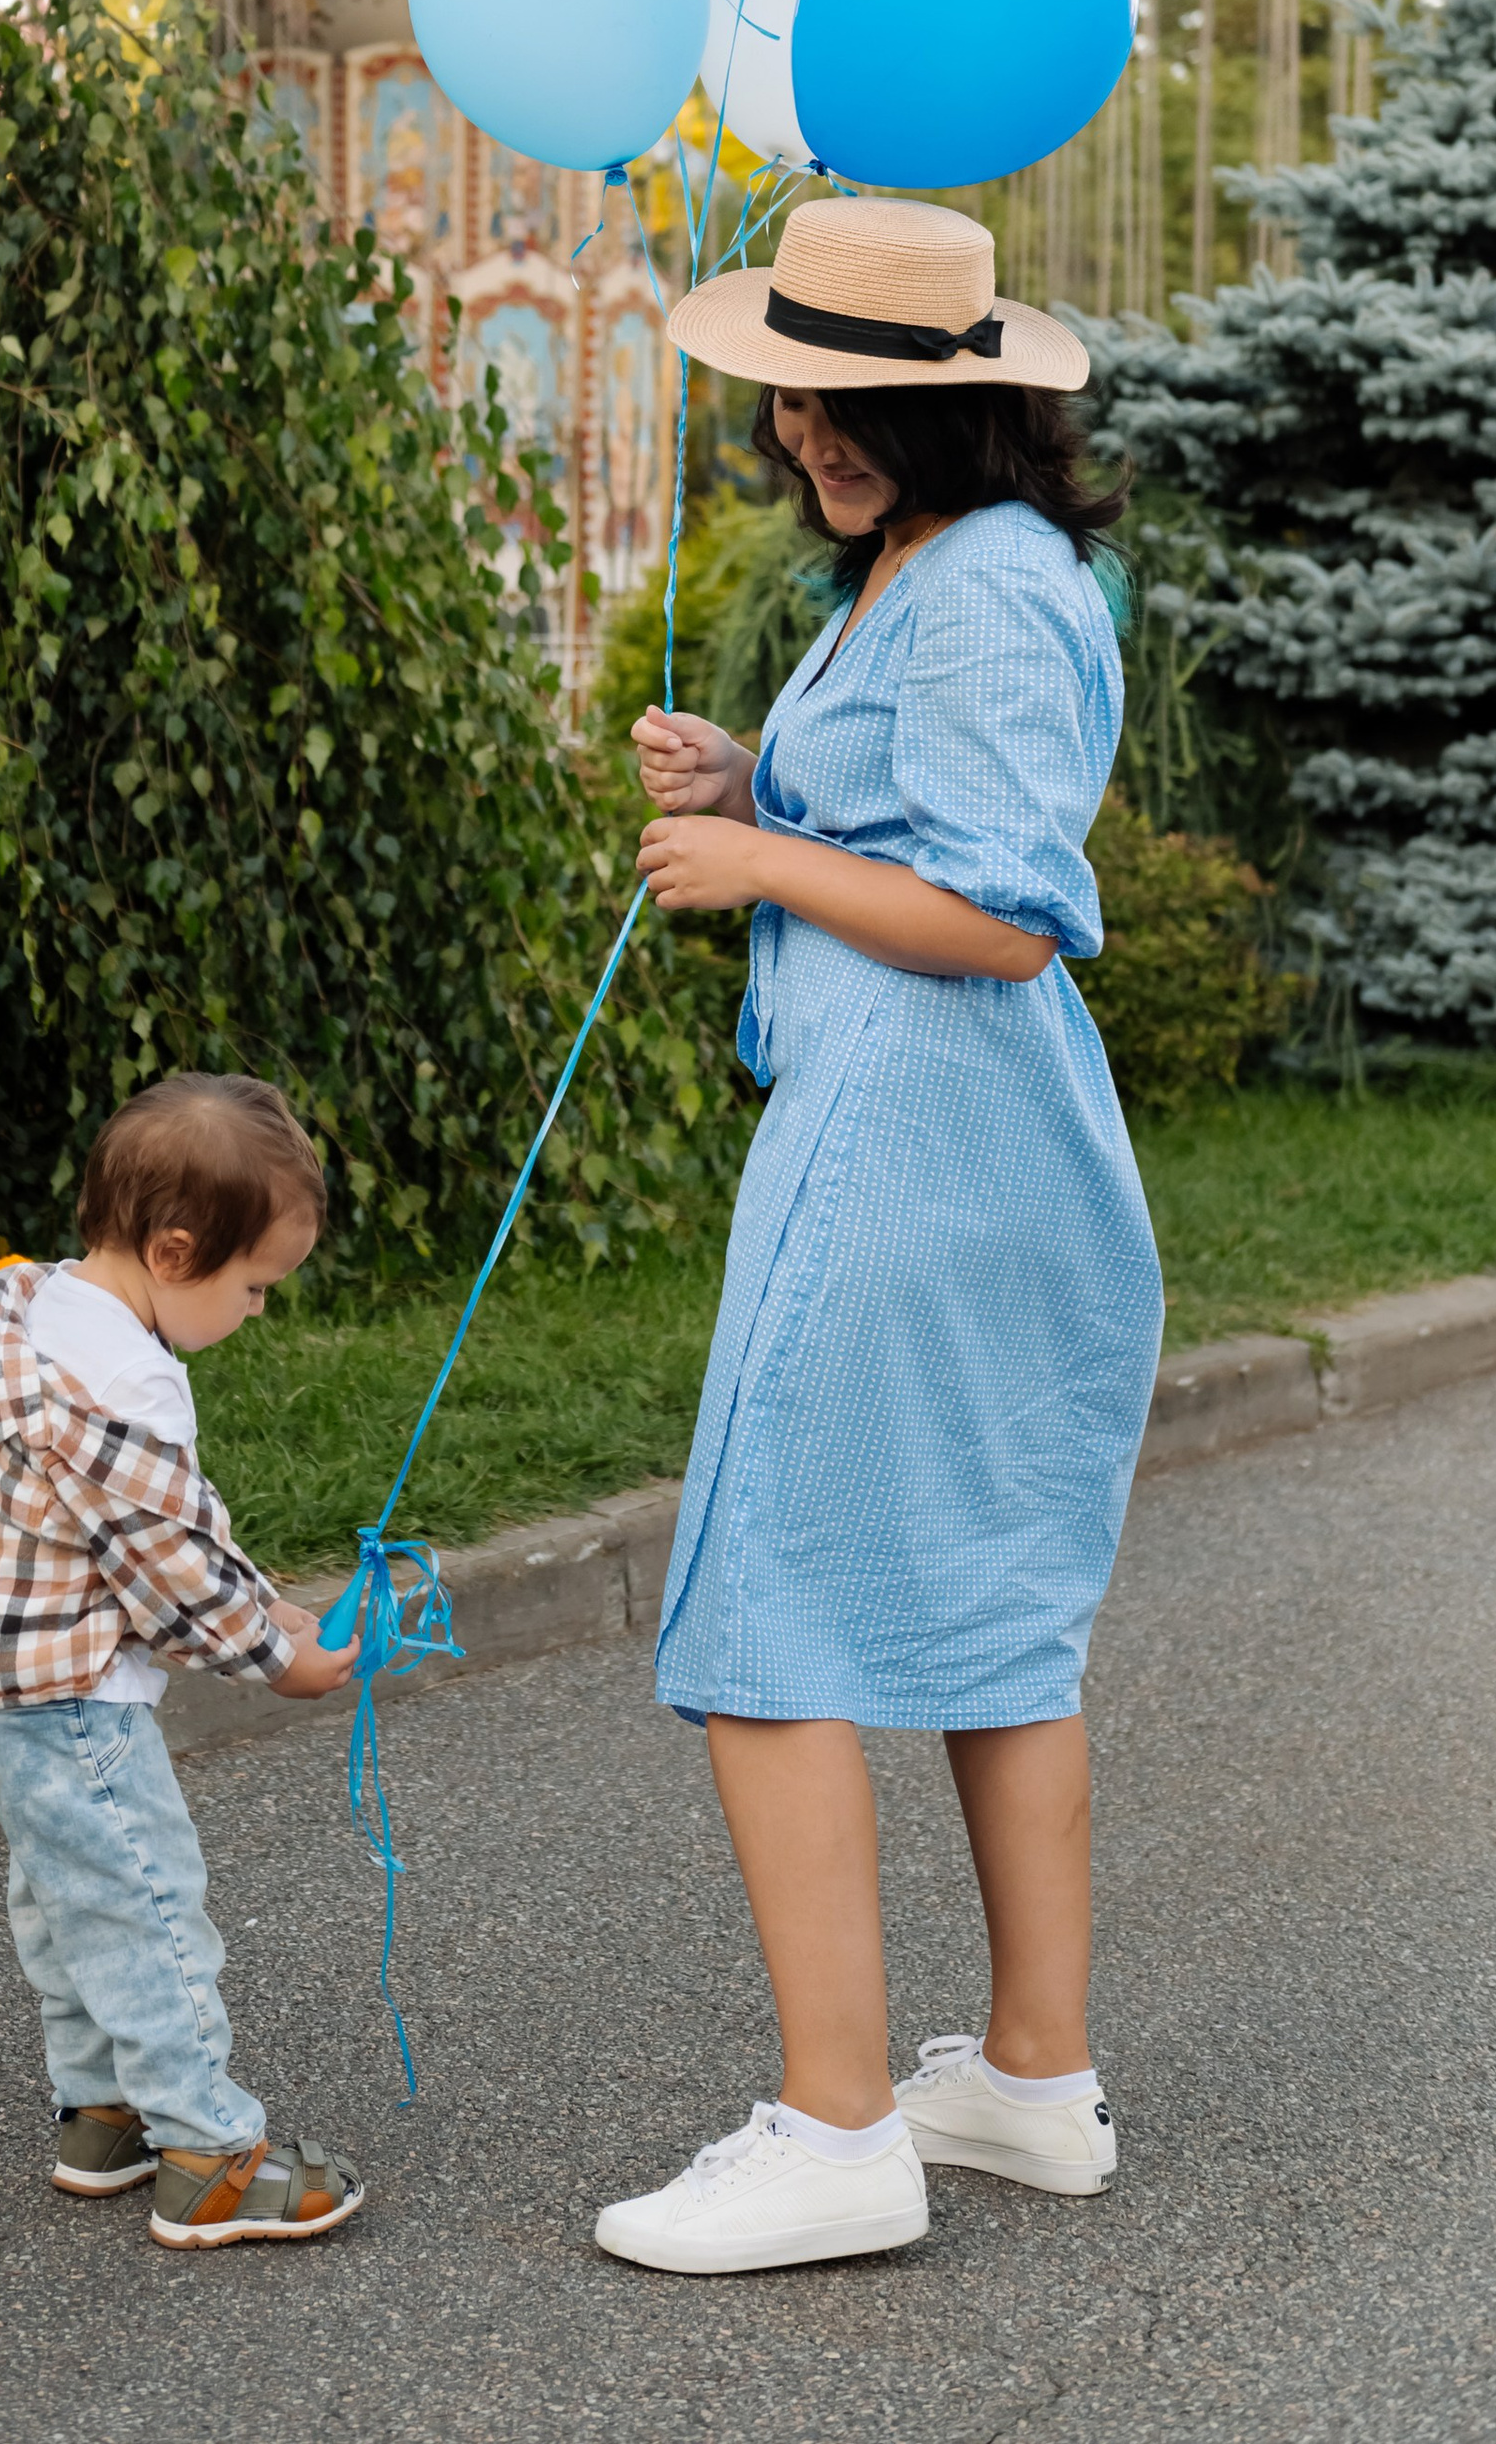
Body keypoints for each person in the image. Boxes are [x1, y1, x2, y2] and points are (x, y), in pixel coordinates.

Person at [592, 195, 1164, 2279]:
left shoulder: (993, 584)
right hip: (941, 1136)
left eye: (856, 409)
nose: (815, 436)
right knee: (987, 1604)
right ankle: (1025, 2080)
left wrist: (751, 850)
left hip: (913, 1140)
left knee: (770, 1598)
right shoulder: (931, 566)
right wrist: (766, 784)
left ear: (966, 412)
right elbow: (922, 831)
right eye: (798, 399)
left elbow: (1005, 913)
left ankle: (838, 2127)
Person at [0, 1069, 366, 2251]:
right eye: (255, 1284)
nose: (260, 1309)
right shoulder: (127, 1387)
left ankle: (103, 2111)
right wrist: (279, 1653)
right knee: (148, 1905)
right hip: (73, 1696)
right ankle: (208, 2155)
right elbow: (169, 1568)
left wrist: (264, 1594)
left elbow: (158, 1533)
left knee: (70, 1899)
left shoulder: (32, 1313)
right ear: (174, 1251)